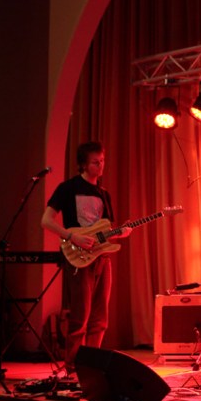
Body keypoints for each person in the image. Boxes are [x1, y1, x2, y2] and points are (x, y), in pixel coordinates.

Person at [41, 141, 131, 373]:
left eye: (102, 161)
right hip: (78, 258)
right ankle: (73, 366)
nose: (101, 166)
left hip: (102, 258)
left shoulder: (104, 194)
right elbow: (46, 221)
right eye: (95, 162)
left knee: (100, 318)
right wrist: (72, 237)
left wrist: (121, 232)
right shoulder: (68, 188)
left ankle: (93, 365)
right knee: (80, 317)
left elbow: (106, 232)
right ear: (82, 164)